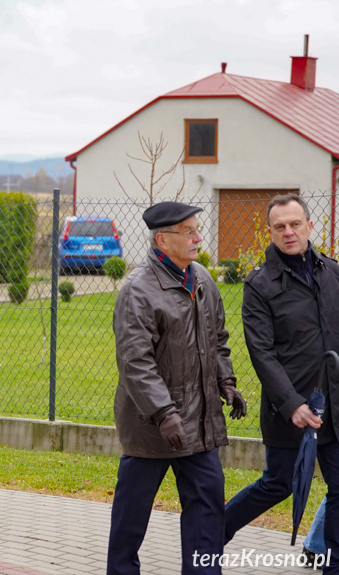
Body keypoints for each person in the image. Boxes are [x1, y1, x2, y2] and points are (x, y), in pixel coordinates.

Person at [106, 201, 246, 575]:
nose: (199, 236)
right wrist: (164, 413)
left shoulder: (201, 278)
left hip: (199, 424)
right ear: (163, 239)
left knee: (207, 510)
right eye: (188, 231)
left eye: (196, 228)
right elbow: (135, 362)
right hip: (151, 428)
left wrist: (225, 380)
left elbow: (217, 337)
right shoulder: (138, 290)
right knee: (131, 518)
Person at [224, 194, 339, 573]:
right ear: (270, 232)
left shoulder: (332, 272)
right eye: (279, 227)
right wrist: (292, 404)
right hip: (291, 411)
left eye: (295, 224)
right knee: (278, 484)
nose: (288, 232)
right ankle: (210, 533)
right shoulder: (260, 285)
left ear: (308, 224)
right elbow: (262, 354)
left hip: (334, 409)